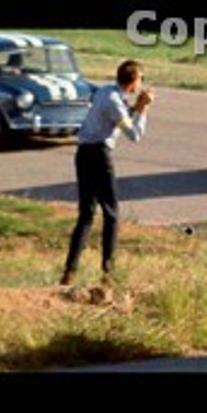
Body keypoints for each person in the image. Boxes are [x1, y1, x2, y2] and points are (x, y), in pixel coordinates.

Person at [60, 60, 155, 286]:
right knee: (111, 214)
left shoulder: (106, 92)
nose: (141, 84)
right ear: (133, 82)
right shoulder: (114, 101)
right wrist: (143, 109)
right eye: (141, 79)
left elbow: (118, 116)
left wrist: (135, 107)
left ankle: (69, 270)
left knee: (86, 214)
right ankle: (108, 272)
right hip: (99, 156)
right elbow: (134, 135)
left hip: (83, 154)